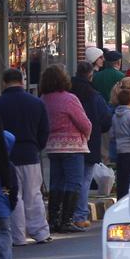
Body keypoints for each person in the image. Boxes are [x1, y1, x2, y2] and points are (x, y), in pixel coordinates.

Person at [0, 68, 52, 246]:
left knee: (13, 195)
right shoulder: (36, 103)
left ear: (4, 82)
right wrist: (36, 146)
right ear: (22, 81)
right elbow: (44, 131)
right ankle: (40, 232)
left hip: (7, 156)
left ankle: (18, 236)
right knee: (33, 194)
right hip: (30, 153)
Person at [40, 64, 92, 233]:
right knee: (74, 182)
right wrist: (87, 135)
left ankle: (53, 219)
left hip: (53, 145)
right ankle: (67, 220)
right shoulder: (69, 99)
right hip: (72, 146)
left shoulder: (44, 99)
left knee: (56, 182)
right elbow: (84, 123)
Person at [70, 61, 112, 229]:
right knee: (84, 179)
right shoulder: (94, 96)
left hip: (63, 144)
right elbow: (106, 118)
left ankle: (65, 214)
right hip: (89, 142)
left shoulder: (67, 93)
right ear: (90, 75)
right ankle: (79, 214)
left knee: (67, 180)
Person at [0, 112, 17, 259]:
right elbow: (13, 188)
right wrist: (11, 203)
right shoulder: (7, 166)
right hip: (1, 206)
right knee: (2, 234)